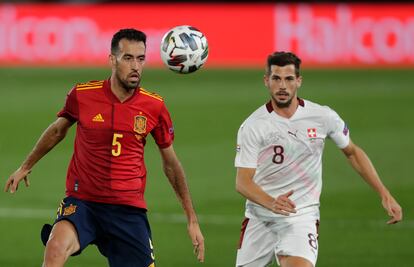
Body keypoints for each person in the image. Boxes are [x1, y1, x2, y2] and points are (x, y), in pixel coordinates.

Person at [4, 28, 205, 267]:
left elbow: (171, 164)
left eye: (141, 59)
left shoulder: (154, 106)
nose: (136, 67)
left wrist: (191, 218)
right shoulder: (83, 95)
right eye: (128, 58)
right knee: (55, 246)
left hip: (127, 211)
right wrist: (26, 166)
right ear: (112, 60)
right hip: (83, 202)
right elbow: (58, 130)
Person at [234, 51, 402, 267]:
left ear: (299, 81)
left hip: (301, 215)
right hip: (260, 216)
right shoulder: (253, 125)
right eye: (276, 78)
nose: (282, 86)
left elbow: (352, 152)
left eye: (289, 78)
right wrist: (272, 203)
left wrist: (384, 193)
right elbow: (242, 182)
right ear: (267, 81)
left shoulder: (323, 116)